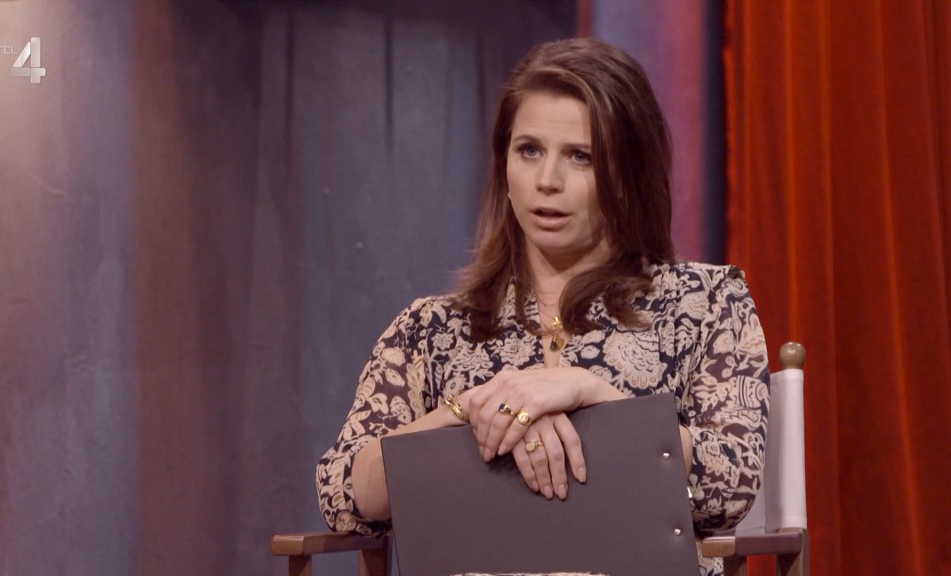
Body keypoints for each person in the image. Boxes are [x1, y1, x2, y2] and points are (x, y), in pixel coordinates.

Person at [316, 37, 769, 576]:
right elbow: (343, 495)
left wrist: (593, 396)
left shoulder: (705, 303)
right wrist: (473, 411)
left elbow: (730, 486)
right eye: (529, 150)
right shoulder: (431, 329)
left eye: (581, 157)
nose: (547, 181)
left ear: (629, 172)